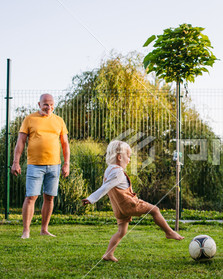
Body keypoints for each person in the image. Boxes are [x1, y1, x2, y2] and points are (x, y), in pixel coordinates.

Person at [82, 140, 184, 262]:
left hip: (119, 209)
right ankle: (169, 232)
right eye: (128, 156)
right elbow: (105, 188)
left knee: (121, 232)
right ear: (120, 157)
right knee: (155, 210)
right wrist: (91, 198)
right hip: (129, 205)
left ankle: (108, 254)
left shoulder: (108, 170)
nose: (129, 160)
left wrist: (91, 198)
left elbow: (107, 186)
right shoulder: (118, 172)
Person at [11, 93, 70, 239]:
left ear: (53, 105)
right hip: (35, 165)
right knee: (31, 197)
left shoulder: (59, 121)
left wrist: (66, 164)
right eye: (45, 104)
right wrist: (16, 162)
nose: (48, 107)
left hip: (54, 166)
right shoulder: (29, 119)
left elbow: (65, 144)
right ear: (39, 104)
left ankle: (44, 229)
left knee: (49, 197)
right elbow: (20, 142)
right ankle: (26, 231)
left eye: (50, 104)